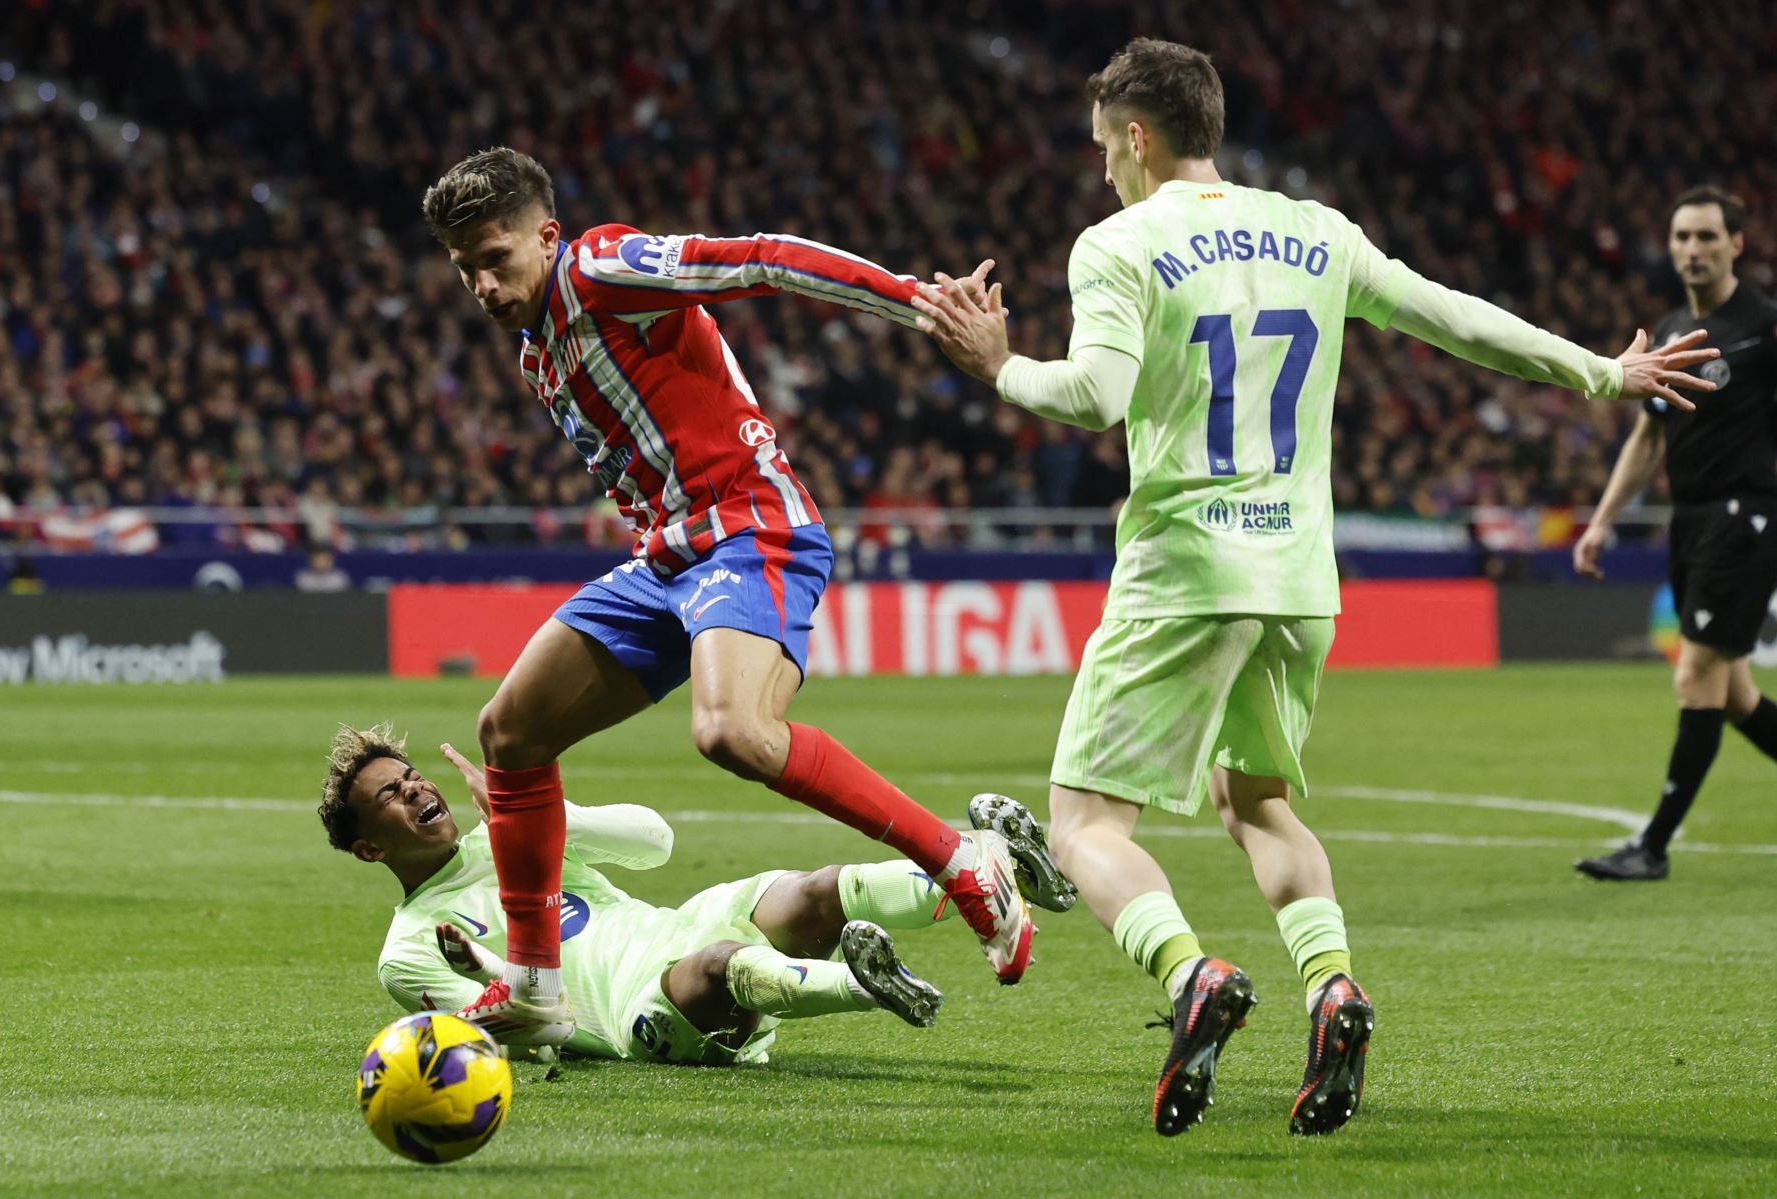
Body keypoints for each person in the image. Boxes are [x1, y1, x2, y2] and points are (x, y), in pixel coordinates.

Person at [910, 38, 1718, 1137]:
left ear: (1140, 138)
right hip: (1298, 578)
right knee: (1263, 804)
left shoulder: (1119, 242)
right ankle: (1333, 985)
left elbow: (1093, 396)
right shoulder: (1315, 231)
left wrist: (995, 362)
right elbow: (1453, 316)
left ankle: (1188, 973)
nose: (1101, 167)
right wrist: (1602, 371)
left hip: (1186, 569)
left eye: (1105, 146)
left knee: (1084, 825)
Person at [418, 145, 1039, 1046]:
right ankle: (535, 984)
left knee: (733, 732)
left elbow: (763, 257)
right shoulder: (536, 351)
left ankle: (960, 862)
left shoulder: (600, 268)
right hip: (666, 556)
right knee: (510, 731)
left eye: (494, 256)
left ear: (546, 236)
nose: (480, 282)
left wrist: (920, 301)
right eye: (463, 267)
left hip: (752, 528)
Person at [317, 724, 1072, 1063]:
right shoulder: (409, 952)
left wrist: (543, 818)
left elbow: (655, 843)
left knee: (811, 892)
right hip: (636, 1008)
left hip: (670, 922)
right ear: (369, 848)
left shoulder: (499, 841)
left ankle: (994, 860)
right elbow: (536, 1031)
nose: (416, 788)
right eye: (390, 793)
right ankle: (870, 985)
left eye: (412, 775)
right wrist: (485, 966)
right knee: (719, 963)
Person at [1573, 187, 1777, 882]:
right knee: (1738, 697)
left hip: (1745, 518)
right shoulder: (1666, 332)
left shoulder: (1763, 325)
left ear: (1736, 245)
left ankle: (1653, 845)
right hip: (1691, 522)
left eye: (1707, 237)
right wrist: (1601, 521)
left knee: (1696, 677)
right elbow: (1648, 436)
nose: (1692, 250)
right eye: (1682, 237)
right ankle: (1653, 844)